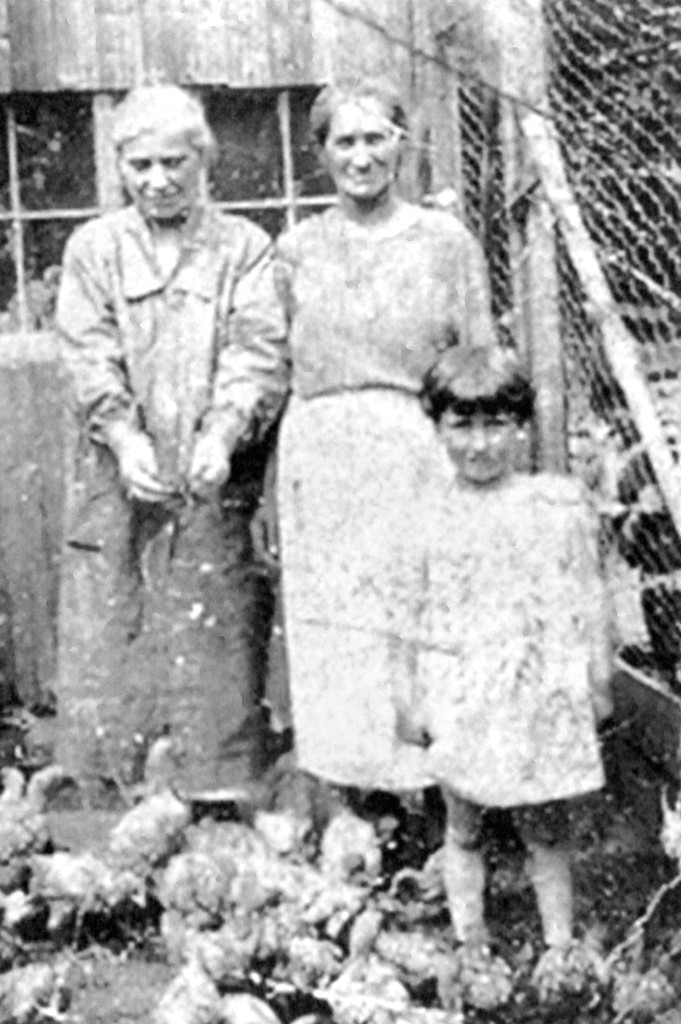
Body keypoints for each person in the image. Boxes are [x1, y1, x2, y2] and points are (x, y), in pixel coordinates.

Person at [55, 85, 289, 805]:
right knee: (112, 615)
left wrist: (222, 436)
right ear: (119, 166)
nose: (157, 180)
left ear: (203, 160)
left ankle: (220, 794)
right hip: (116, 476)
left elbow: (258, 353)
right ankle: (117, 792)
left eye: (173, 163)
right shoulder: (93, 249)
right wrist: (124, 440)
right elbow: (87, 353)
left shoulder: (244, 248)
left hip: (213, 477)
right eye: (140, 165)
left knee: (216, 627)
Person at [273, 80, 495, 795]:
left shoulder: (444, 242)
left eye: (375, 138)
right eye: (344, 141)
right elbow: (278, 371)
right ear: (321, 153)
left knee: (418, 625)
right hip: (322, 455)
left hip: (414, 452)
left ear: (402, 144)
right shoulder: (296, 249)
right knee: (337, 631)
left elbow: (478, 360)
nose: (361, 157)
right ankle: (349, 803)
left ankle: (432, 799)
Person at [403, 345, 613, 994]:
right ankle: (471, 945)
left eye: (495, 424)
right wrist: (413, 699)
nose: (479, 444)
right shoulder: (426, 511)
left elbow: (587, 595)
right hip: (462, 690)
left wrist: (596, 677)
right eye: (461, 425)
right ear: (435, 427)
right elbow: (409, 614)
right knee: (461, 825)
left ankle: (558, 946)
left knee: (542, 826)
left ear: (521, 427)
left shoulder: (551, 504)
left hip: (532, 691)